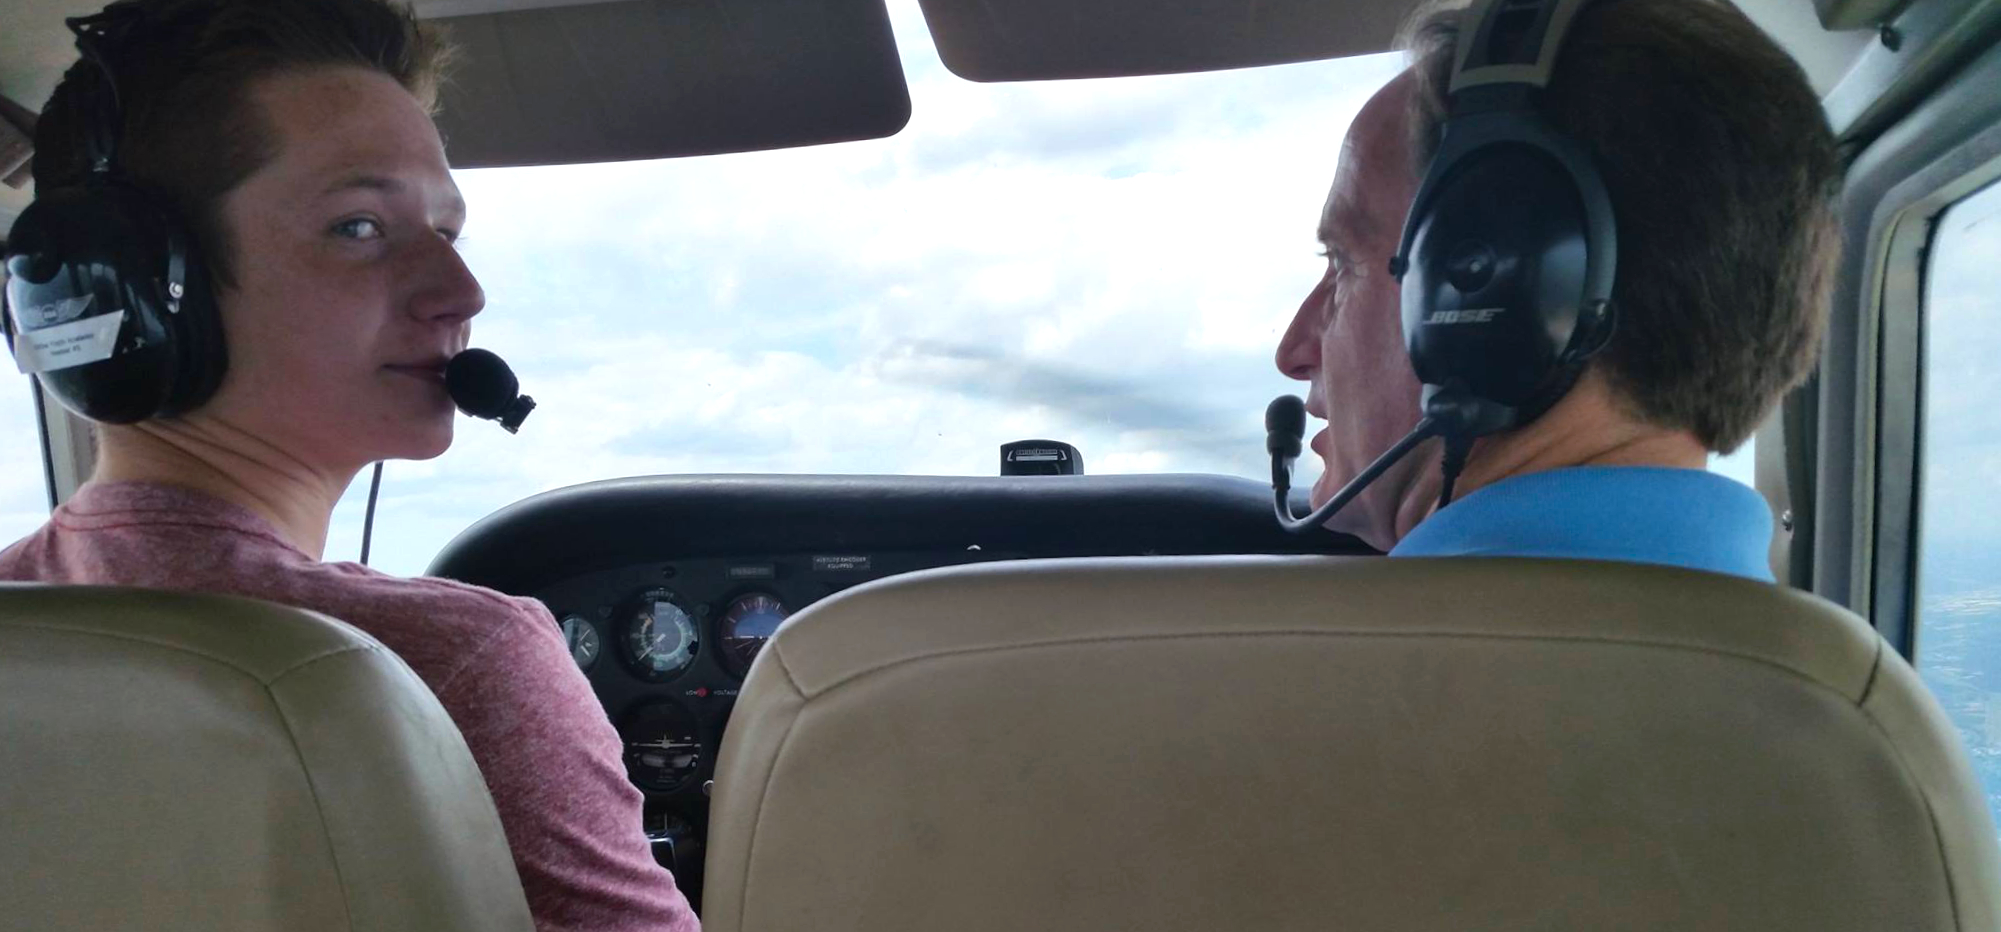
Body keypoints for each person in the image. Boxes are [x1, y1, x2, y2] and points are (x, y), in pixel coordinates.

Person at [0, 2, 700, 929]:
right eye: (359, 227)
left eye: (446, 231)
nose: (462, 293)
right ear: (132, 285)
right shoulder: (452, 666)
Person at [1274, 0, 1841, 581]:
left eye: (1342, 263)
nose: (1292, 352)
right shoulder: (1835, 668)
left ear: (1487, 288)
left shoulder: (1289, 665)